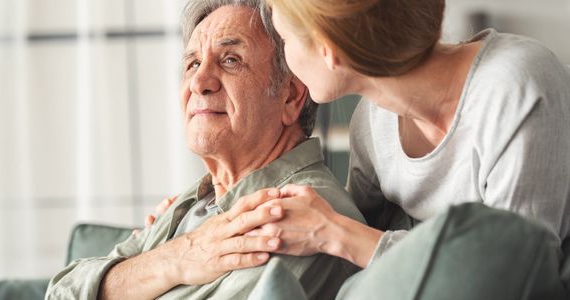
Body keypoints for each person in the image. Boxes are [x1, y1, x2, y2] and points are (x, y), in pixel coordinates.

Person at [149, 0, 570, 298]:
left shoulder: (516, 85)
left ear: (328, 50)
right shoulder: (373, 124)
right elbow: (351, 252)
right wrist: (191, 220)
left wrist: (335, 232)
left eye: (284, 38)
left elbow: (521, 270)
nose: (286, 61)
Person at [45, 1, 366, 299]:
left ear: (291, 97)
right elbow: (61, 290)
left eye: (230, 60)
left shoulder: (301, 215)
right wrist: (175, 258)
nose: (199, 81)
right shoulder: (197, 202)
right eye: (193, 63)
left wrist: (137, 278)